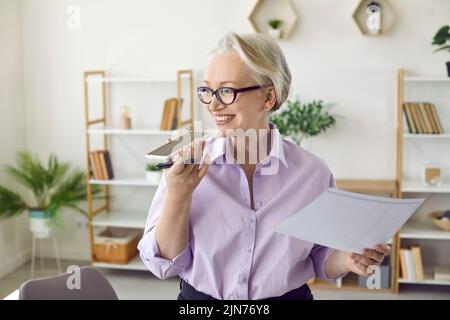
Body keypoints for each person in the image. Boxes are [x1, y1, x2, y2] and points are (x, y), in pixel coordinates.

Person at [138, 32, 390, 300]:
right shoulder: (187, 166)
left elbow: (321, 255)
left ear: (268, 97)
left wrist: (346, 259)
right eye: (207, 90)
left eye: (226, 90)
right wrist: (178, 195)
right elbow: (163, 265)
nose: (213, 104)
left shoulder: (312, 173)